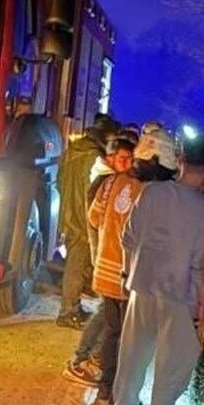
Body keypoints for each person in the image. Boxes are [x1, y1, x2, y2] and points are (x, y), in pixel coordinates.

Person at [111, 135, 204, 405]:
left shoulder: (151, 192)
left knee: (133, 352)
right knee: (175, 361)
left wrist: (125, 274)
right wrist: (203, 311)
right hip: (179, 295)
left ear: (181, 160)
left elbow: (127, 239)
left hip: (141, 286)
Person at [62, 136, 137, 386]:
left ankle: (92, 358)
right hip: (108, 265)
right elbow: (94, 221)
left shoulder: (112, 181)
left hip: (109, 265)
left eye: (131, 159)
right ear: (110, 158)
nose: (128, 164)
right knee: (106, 314)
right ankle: (80, 359)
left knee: (108, 315)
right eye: (123, 159)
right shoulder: (107, 183)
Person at [56, 113, 119, 328]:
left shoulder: (73, 149)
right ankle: (67, 312)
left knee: (75, 263)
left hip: (69, 213)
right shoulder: (93, 157)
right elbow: (91, 190)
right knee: (77, 264)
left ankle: (71, 307)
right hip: (83, 218)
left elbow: (59, 180)